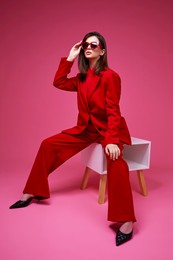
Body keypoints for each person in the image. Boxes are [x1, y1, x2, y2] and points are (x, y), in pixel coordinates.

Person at [9, 31, 136, 246]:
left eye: (93, 45)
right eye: (85, 44)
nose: (88, 47)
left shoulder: (110, 76)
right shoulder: (81, 78)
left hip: (108, 131)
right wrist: (69, 58)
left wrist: (112, 140)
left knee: (117, 162)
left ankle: (126, 220)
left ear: (102, 51)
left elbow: (114, 110)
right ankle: (33, 190)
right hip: (86, 130)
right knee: (48, 144)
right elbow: (58, 82)